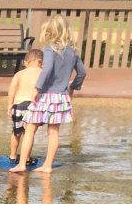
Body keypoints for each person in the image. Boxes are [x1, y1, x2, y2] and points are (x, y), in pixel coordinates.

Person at [9, 14, 86, 174]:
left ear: (50, 32)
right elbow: (82, 73)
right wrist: (73, 88)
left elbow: (48, 68)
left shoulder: (50, 49)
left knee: (30, 128)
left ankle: (22, 164)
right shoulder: (73, 52)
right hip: (61, 96)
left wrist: (37, 88)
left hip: (46, 95)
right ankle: (48, 166)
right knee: (53, 132)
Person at [6, 48, 43, 167]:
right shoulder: (42, 73)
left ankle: (12, 156)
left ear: (26, 62)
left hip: (18, 104)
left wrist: (10, 105)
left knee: (16, 133)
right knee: (29, 133)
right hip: (33, 106)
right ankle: (26, 158)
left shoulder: (19, 73)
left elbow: (12, 89)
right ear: (41, 62)